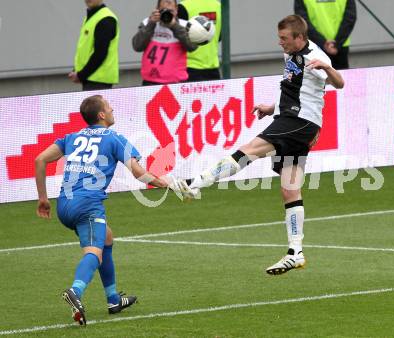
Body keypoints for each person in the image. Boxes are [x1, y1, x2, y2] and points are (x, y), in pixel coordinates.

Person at [177, 15, 344, 275]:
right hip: (292, 119)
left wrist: (327, 67)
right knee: (290, 189)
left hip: (301, 122)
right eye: (280, 38)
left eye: (285, 39)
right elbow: (292, 89)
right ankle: (295, 252)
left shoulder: (315, 56)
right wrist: (272, 107)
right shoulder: (290, 54)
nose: (281, 43)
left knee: (250, 150)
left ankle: (194, 184)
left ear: (300, 37)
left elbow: (339, 84)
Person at [34, 95, 171, 325]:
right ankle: (75, 292)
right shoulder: (114, 138)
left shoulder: (73, 136)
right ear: (101, 115)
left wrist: (42, 199)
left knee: (106, 237)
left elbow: (40, 159)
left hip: (64, 205)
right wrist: (163, 183)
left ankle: (113, 299)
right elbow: (139, 173)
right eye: (109, 107)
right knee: (94, 253)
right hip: (88, 205)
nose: (112, 109)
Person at [132, 0, 198, 86]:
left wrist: (174, 26)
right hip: (150, 81)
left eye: (170, 11)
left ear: (176, 9)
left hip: (176, 82)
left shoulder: (184, 25)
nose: (167, 14)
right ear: (157, 9)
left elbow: (192, 47)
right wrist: (151, 23)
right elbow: (137, 46)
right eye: (163, 10)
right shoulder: (147, 22)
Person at [69, 0, 119, 90]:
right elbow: (85, 49)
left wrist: (81, 75)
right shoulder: (93, 17)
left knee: (93, 104)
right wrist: (77, 70)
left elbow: (100, 53)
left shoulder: (105, 19)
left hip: (98, 80)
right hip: (91, 78)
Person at [294, 0, 356, 70]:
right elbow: (350, 18)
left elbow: (302, 20)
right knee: (340, 77)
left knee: (317, 79)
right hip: (339, 46)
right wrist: (337, 43)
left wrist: (323, 43)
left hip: (314, 46)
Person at [177, 0, 222, 81]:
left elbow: (178, 39)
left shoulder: (183, 6)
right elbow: (219, 37)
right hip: (213, 67)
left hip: (188, 68)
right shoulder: (218, 6)